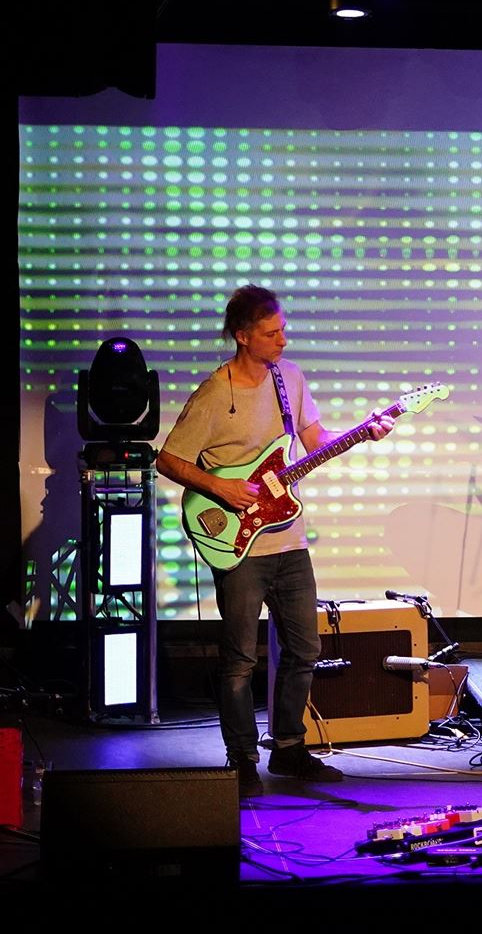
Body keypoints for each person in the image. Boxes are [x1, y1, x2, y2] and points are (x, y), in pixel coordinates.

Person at [157, 284, 394, 796]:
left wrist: (364, 432)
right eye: (271, 333)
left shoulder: (290, 379)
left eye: (283, 329)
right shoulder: (215, 392)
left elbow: (315, 441)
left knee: (305, 648)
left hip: (289, 540)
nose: (283, 340)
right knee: (240, 659)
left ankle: (288, 748)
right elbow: (169, 460)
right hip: (238, 544)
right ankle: (241, 757)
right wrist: (221, 486)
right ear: (243, 337)